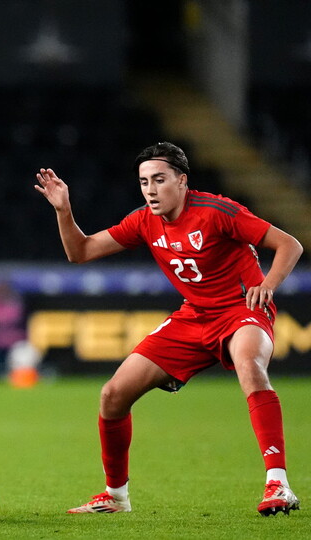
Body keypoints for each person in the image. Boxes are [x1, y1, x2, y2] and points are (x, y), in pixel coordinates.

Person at [35, 142, 303, 516]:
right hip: (194, 317)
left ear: (182, 181)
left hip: (243, 309)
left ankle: (278, 484)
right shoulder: (143, 220)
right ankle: (116, 496)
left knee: (250, 366)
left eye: (159, 179)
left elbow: (289, 244)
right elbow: (80, 252)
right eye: (144, 182)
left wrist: (268, 284)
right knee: (112, 395)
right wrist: (64, 210)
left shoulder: (217, 211)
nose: (151, 189)